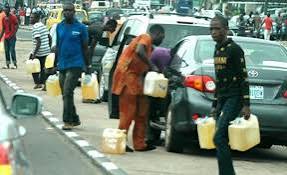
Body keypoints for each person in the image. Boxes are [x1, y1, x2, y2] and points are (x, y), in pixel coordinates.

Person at [112, 24, 165, 152]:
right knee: (128, 113)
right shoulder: (145, 38)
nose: (162, 40)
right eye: (162, 37)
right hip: (127, 79)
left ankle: (140, 144)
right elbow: (139, 51)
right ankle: (121, 142)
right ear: (157, 34)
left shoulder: (150, 48)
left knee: (142, 113)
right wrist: (152, 65)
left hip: (137, 81)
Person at [209, 15, 251, 175]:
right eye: (211, 29)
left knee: (219, 137)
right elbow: (219, 80)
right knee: (220, 137)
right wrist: (214, 105)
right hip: (223, 97)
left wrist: (247, 105)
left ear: (226, 29)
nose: (213, 32)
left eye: (217, 29)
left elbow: (243, 77)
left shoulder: (234, 49)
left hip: (235, 97)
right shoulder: (217, 49)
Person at [55, 3, 90, 130]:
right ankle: (74, 118)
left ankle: (67, 120)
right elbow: (58, 46)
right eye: (65, 11)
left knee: (68, 91)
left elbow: (85, 48)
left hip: (76, 63)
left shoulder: (81, 28)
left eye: (69, 10)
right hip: (63, 63)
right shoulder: (59, 27)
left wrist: (88, 65)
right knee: (65, 93)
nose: (67, 13)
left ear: (74, 12)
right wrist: (55, 64)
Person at [30, 12, 51, 90]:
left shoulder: (35, 27)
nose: (30, 19)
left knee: (32, 66)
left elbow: (38, 42)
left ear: (36, 19)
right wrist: (48, 47)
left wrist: (34, 54)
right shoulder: (43, 25)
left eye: (32, 18)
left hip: (39, 52)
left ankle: (38, 83)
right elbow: (50, 37)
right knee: (44, 69)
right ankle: (44, 84)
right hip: (46, 51)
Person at [0, 3, 18, 69]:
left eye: (7, 9)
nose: (6, 10)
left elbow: (17, 25)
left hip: (12, 37)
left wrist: (14, 33)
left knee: (12, 50)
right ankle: (7, 64)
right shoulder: (4, 18)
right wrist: (0, 37)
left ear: (9, 10)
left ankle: (15, 64)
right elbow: (3, 29)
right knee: (6, 51)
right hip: (6, 37)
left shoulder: (13, 17)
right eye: (5, 9)